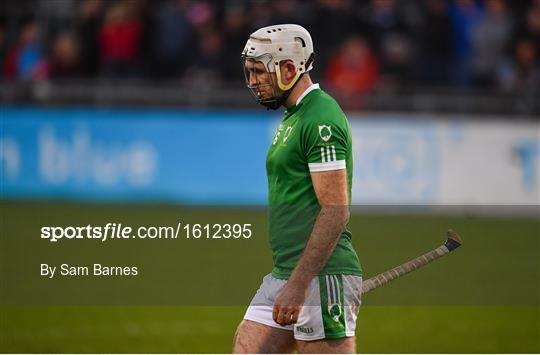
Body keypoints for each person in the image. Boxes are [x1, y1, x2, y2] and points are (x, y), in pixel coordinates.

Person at [234, 24, 363, 354]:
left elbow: (336, 210)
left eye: (259, 72)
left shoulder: (321, 120)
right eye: (249, 72)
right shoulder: (294, 116)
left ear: (289, 68)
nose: (252, 81)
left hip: (321, 278)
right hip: (285, 272)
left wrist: (299, 284)